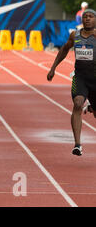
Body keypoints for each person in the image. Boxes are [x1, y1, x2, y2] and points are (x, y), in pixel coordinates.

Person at [47, 9, 96, 156]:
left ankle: (92, 106)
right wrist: (53, 68)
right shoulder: (75, 35)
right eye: (85, 17)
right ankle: (77, 145)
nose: (87, 19)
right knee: (77, 104)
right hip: (80, 77)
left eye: (90, 17)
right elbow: (63, 50)